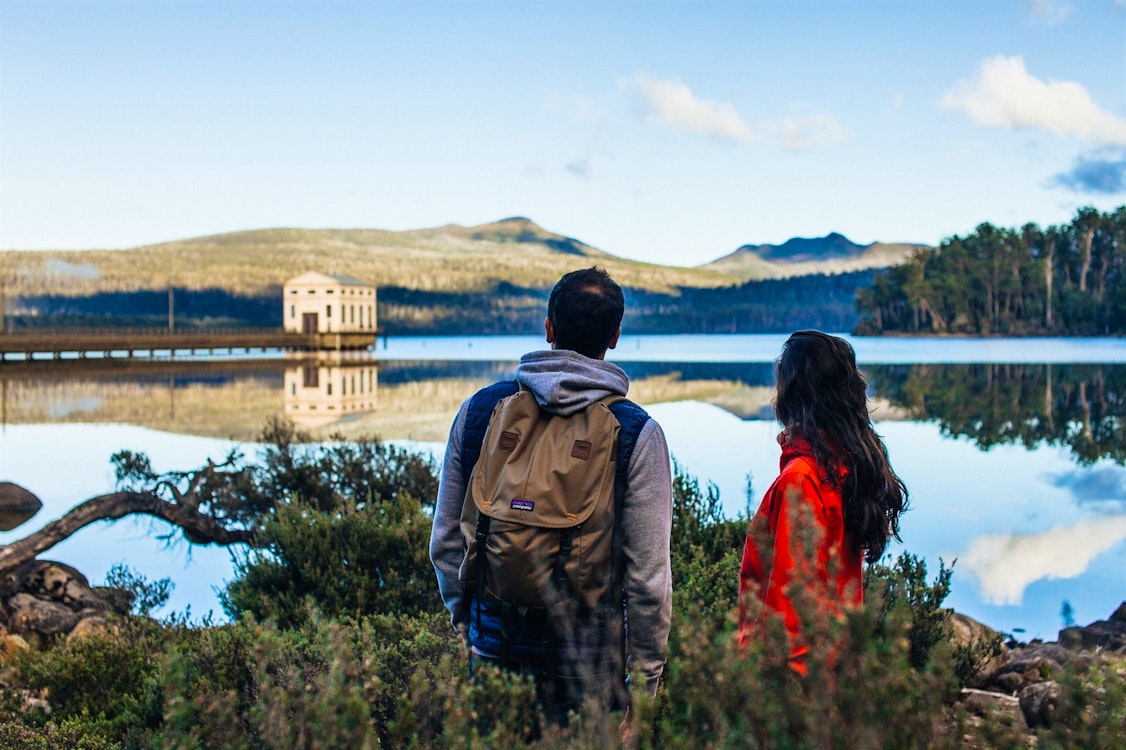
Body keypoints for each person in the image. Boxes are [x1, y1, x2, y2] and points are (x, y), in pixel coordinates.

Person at [429, 266, 673, 719]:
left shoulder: (481, 411)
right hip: (587, 661)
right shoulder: (637, 432)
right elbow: (648, 580)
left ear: (548, 329)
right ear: (615, 336)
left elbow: (445, 541)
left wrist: (468, 624)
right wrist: (645, 682)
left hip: (492, 645)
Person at [738, 330, 907, 671]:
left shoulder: (802, 479)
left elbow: (791, 609)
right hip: (835, 671)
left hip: (796, 690)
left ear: (793, 395)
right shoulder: (847, 469)